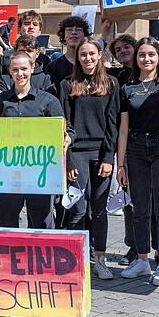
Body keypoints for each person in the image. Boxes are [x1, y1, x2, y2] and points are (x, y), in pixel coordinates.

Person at [0, 51, 73, 228]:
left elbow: (65, 128)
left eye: (24, 69)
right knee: (6, 222)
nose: (20, 74)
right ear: (10, 71)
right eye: (15, 70)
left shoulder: (48, 101)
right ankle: (9, 256)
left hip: (39, 173)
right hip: (8, 173)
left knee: (41, 223)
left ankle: (40, 256)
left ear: (32, 68)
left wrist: (67, 138)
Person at [116, 38, 159, 286]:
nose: (146, 59)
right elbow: (123, 128)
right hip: (135, 148)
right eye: (142, 54)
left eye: (151, 54)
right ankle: (141, 259)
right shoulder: (127, 88)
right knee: (139, 208)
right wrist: (121, 165)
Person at [59, 37, 119, 280]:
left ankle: (100, 259)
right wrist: (69, 160)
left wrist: (108, 157)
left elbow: (113, 123)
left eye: (92, 54)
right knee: (78, 208)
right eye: (83, 54)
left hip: (101, 153)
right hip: (78, 153)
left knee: (99, 210)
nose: (88, 58)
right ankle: (77, 258)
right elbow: (64, 123)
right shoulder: (67, 85)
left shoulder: (111, 84)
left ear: (100, 55)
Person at [0, 34, 53, 100]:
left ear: (37, 53)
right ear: (15, 52)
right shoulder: (5, 79)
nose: (26, 54)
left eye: (29, 51)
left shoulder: (46, 79)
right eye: (22, 51)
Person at [45, 16, 90, 92]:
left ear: (84, 35)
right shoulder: (53, 67)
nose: (74, 32)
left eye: (78, 30)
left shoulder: (91, 64)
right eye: (69, 30)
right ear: (63, 36)